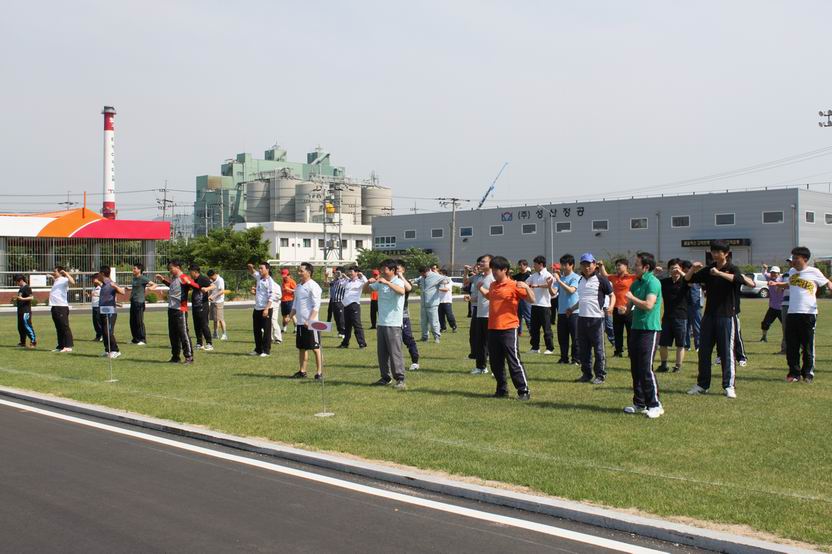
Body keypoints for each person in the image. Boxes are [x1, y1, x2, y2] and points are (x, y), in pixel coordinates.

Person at [685, 240, 745, 398]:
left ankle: (729, 385)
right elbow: (688, 280)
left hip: (727, 316)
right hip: (709, 316)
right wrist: (692, 269)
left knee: (726, 352)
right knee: (704, 352)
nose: (715, 254)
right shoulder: (709, 269)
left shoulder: (732, 268)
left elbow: (739, 280)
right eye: (713, 251)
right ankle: (702, 384)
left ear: (726, 254)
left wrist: (719, 274)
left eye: (718, 252)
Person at [479, 255, 533, 400]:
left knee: (513, 360)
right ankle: (502, 390)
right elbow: (491, 297)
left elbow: (531, 299)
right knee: (495, 362)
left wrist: (527, 288)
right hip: (493, 328)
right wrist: (481, 289)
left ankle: (523, 391)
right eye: (492, 269)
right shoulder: (493, 285)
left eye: (496, 270)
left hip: (509, 328)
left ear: (505, 270)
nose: (494, 272)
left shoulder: (514, 285)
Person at [623, 252, 664, 418]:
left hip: (650, 329)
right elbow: (629, 308)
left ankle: (655, 404)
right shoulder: (636, 283)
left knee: (646, 367)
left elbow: (648, 305)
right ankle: (639, 402)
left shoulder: (653, 282)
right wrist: (624, 309)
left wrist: (632, 298)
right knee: (635, 367)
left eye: (637, 265)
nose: (634, 267)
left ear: (646, 267)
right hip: (636, 328)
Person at [780, 246, 828, 383]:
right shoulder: (792, 271)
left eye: (796, 258)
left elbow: (827, 283)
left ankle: (808, 373)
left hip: (808, 313)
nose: (793, 260)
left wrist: (830, 286)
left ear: (805, 259)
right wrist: (777, 284)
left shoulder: (814, 272)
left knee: (807, 346)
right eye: (793, 258)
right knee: (792, 345)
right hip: (792, 312)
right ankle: (794, 373)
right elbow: (790, 285)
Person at [570, 253, 614, 384]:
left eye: (589, 264)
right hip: (582, 319)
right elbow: (583, 300)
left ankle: (600, 375)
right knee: (584, 349)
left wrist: (611, 307)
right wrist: (572, 308)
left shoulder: (601, 280)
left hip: (597, 319)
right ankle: (586, 374)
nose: (586, 267)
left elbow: (612, 295)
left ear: (594, 265)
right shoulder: (580, 280)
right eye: (584, 264)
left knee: (599, 349)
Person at [368, 259, 408, 389]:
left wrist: (387, 283)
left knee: (395, 352)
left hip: (394, 323)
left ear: (392, 270)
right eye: (381, 269)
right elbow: (367, 290)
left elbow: (402, 291)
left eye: (384, 269)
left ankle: (400, 379)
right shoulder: (380, 282)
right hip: (381, 323)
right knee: (382, 353)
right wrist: (368, 282)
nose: (382, 271)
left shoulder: (398, 281)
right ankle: (385, 377)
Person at [153, 260, 195, 364]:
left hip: (180, 309)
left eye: (171, 268)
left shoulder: (184, 277)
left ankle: (189, 357)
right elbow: (173, 286)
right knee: (173, 334)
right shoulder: (175, 278)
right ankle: (175, 357)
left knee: (183, 333)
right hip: (171, 309)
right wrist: (163, 280)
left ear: (178, 267)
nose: (170, 270)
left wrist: (195, 285)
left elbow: (195, 286)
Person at [289, 262, 323, 379]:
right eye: (298, 270)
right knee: (302, 348)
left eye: (301, 271)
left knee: (315, 348)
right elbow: (295, 304)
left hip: (312, 324)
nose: (299, 273)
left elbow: (316, 306)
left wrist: (310, 321)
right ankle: (302, 371)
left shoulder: (314, 286)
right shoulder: (298, 286)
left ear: (308, 272)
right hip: (300, 323)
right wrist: (290, 316)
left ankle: (319, 373)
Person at [657, 258, 689, 373]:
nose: (674, 270)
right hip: (667, 317)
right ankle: (663, 365)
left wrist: (681, 273)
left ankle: (678, 366)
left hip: (681, 317)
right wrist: (655, 273)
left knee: (680, 344)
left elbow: (691, 280)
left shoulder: (685, 281)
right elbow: (650, 283)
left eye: (677, 268)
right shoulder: (664, 282)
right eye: (672, 268)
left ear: (681, 269)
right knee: (663, 343)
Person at [603, 258, 636, 358]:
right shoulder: (614, 277)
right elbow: (605, 275)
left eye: (619, 265)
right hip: (616, 308)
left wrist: (655, 271)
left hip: (629, 309)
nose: (617, 267)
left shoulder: (632, 277)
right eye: (616, 265)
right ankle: (618, 351)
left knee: (630, 332)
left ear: (626, 266)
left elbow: (644, 277)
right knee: (617, 332)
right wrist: (601, 266)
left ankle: (631, 352)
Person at [247, 262, 280, 357]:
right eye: (259, 268)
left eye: (262, 268)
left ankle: (266, 351)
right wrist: (251, 267)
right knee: (256, 330)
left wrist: (266, 309)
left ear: (267, 269)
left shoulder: (270, 282)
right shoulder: (259, 277)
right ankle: (258, 349)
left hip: (266, 308)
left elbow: (271, 297)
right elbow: (253, 272)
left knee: (266, 331)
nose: (260, 270)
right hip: (257, 308)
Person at [468, 254, 494, 375]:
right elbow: (480, 297)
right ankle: (481, 367)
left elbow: (495, 296)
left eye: (484, 262)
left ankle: (496, 368)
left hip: (490, 315)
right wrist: (471, 299)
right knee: (480, 342)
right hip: (480, 314)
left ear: (491, 263)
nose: (481, 264)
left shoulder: (494, 278)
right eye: (480, 262)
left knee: (492, 343)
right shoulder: (481, 278)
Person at [526, 255, 556, 355]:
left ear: (541, 264)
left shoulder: (548, 275)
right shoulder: (534, 275)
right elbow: (526, 283)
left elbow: (549, 285)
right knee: (534, 328)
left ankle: (550, 348)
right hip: (535, 304)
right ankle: (535, 347)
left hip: (544, 306)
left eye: (535, 264)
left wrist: (538, 285)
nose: (533, 266)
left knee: (546, 328)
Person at [553, 255, 580, 365]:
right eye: (562, 265)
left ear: (571, 265)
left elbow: (571, 290)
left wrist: (559, 280)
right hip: (561, 312)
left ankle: (576, 359)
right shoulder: (561, 279)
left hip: (574, 312)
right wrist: (550, 285)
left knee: (575, 337)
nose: (563, 267)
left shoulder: (576, 277)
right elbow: (553, 292)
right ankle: (564, 358)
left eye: (565, 265)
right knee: (562, 337)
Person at [396, 259, 421, 371]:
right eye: (394, 269)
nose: (396, 270)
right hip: (391, 316)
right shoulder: (390, 281)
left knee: (407, 338)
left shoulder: (405, 282)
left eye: (398, 268)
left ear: (403, 269)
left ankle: (415, 361)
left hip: (403, 315)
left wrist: (401, 276)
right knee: (393, 341)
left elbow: (409, 288)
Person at [97, 265, 126, 359]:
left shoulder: (111, 283)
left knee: (108, 331)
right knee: (104, 332)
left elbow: (123, 292)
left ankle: (115, 350)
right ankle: (108, 350)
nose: (98, 276)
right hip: (102, 310)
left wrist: (115, 287)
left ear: (102, 273)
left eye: (99, 274)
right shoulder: (103, 284)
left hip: (110, 312)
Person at [338, 266, 368, 348]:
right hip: (346, 306)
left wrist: (362, 276)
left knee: (357, 325)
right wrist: (341, 276)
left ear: (356, 273)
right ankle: (345, 343)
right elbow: (341, 284)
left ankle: (362, 343)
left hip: (354, 305)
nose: (349, 273)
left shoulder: (360, 282)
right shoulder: (348, 281)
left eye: (351, 271)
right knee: (347, 326)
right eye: (349, 271)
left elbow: (367, 283)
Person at [49, 266, 75, 353]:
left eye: (55, 271)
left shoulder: (64, 279)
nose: (53, 272)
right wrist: (52, 277)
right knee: (58, 327)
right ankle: (60, 346)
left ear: (60, 272)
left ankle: (68, 346)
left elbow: (73, 282)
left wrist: (66, 273)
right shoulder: (57, 280)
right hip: (54, 306)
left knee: (64, 327)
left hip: (61, 307)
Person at [189, 264, 214, 351]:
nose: (190, 274)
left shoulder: (203, 278)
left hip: (203, 306)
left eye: (191, 272)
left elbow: (213, 286)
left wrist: (206, 289)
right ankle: (199, 343)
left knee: (204, 325)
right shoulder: (194, 280)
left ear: (195, 272)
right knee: (196, 325)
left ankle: (209, 343)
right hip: (195, 305)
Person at [415, 266, 443, 343]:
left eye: (423, 274)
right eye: (421, 274)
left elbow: (446, 279)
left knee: (434, 322)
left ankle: (436, 337)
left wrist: (442, 282)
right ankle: (424, 337)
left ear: (427, 271)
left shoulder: (435, 276)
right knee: (423, 322)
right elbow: (416, 281)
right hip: (423, 304)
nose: (422, 275)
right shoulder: (422, 278)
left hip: (432, 304)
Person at [759, 264, 784, 343]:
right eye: (772, 272)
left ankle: (788, 339)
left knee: (786, 325)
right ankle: (764, 337)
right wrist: (765, 268)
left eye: (775, 273)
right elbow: (764, 273)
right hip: (772, 307)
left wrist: (779, 286)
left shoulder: (782, 281)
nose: (773, 274)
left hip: (782, 308)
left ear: (778, 274)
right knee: (765, 323)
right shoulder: (769, 278)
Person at [129, 262, 150, 345]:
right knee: (132, 321)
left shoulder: (143, 278)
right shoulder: (134, 278)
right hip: (133, 301)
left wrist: (150, 288)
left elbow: (154, 284)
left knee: (139, 321)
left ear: (139, 270)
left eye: (134, 268)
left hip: (139, 302)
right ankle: (135, 339)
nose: (133, 270)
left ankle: (142, 339)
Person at [14, 274, 36, 348]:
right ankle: (22, 342)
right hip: (20, 310)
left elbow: (31, 297)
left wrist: (22, 299)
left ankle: (33, 342)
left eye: (17, 282)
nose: (16, 283)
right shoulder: (21, 288)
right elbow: (21, 297)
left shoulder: (27, 287)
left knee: (27, 326)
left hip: (25, 311)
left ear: (21, 280)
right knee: (20, 327)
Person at [205, 269, 227, 340]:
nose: (210, 279)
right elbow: (211, 290)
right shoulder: (211, 280)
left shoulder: (220, 280)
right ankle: (215, 334)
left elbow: (222, 291)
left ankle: (224, 334)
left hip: (219, 302)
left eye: (211, 277)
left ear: (214, 274)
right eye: (209, 278)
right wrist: (208, 296)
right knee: (215, 319)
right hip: (213, 302)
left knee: (220, 319)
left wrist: (213, 296)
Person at [512, 259, 532, 335]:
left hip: (525, 298)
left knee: (528, 316)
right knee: (518, 315)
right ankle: (518, 332)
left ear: (526, 266)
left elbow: (530, 286)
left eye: (521, 265)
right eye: (519, 265)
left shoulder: (529, 276)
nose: (520, 267)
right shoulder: (516, 276)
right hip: (517, 298)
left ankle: (531, 332)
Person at [327, 268, 347, 338]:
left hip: (340, 301)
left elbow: (350, 281)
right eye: (335, 273)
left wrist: (344, 276)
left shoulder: (344, 281)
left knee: (341, 317)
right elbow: (327, 285)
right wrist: (326, 277)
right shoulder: (334, 281)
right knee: (336, 318)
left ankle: (343, 332)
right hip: (334, 301)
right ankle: (340, 331)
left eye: (338, 273)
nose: (336, 274)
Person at [684, 276, 703, 352]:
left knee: (697, 325)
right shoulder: (684, 279)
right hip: (686, 304)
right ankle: (686, 345)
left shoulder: (698, 278)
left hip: (696, 305)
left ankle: (698, 345)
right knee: (686, 325)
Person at [437, 268, 458, 333]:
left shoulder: (448, 280)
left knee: (449, 315)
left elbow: (446, 289)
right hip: (439, 301)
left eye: (440, 274)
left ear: (444, 274)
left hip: (447, 301)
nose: (439, 275)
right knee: (440, 316)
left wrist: (437, 288)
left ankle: (453, 326)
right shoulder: (438, 281)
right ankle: (443, 328)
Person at [279, 268, 297, 334]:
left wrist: (289, 289)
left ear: (289, 275)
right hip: (283, 301)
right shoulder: (283, 281)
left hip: (290, 301)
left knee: (292, 316)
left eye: (285, 276)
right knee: (284, 315)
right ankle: (284, 329)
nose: (284, 277)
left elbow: (296, 291)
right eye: (283, 276)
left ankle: (296, 329)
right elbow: (282, 290)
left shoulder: (292, 282)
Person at [90, 276, 103, 342]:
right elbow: (94, 295)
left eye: (93, 279)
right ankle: (98, 336)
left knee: (99, 322)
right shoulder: (94, 288)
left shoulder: (101, 287)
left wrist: (97, 295)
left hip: (98, 306)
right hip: (94, 306)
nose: (92, 281)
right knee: (95, 322)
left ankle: (102, 336)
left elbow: (104, 295)